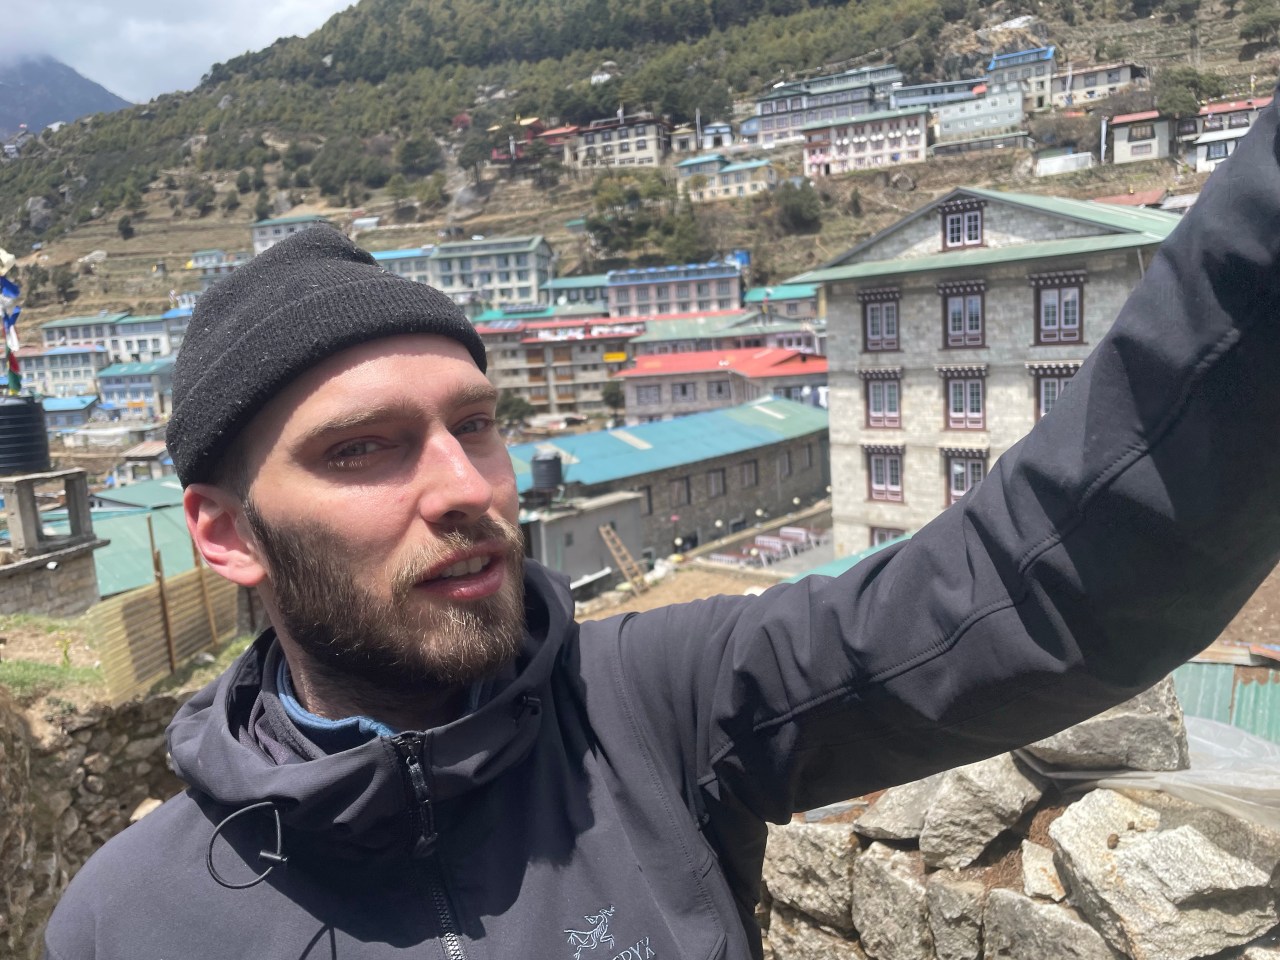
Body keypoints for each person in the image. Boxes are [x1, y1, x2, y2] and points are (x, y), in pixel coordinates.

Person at [43, 106, 1280, 960]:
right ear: (225, 536)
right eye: (361, 448)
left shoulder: (651, 706)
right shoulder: (126, 924)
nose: (464, 486)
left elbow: (1034, 592)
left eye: (473, 424)